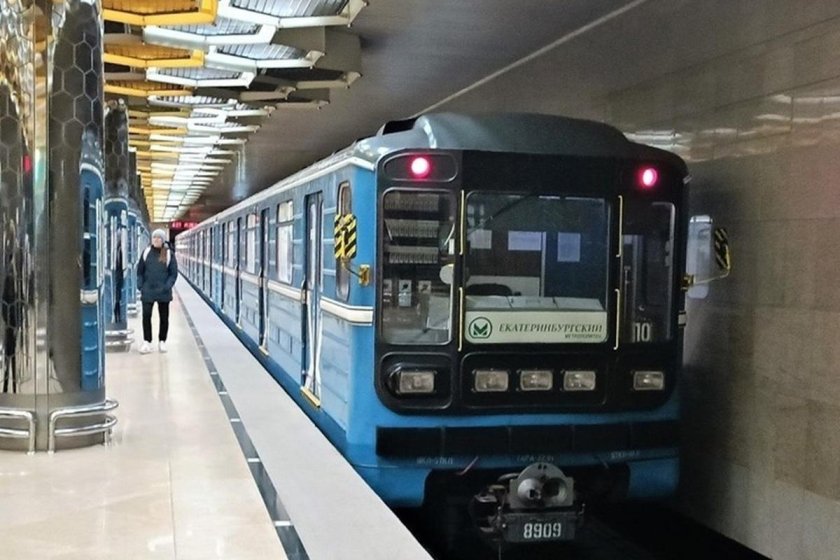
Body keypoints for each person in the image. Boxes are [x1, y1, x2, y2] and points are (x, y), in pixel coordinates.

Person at [137, 229, 178, 354]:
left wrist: (167, 286)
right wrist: (140, 285)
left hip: (163, 292)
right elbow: (140, 271)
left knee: (164, 317)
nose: (156, 240)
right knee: (146, 316)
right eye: (154, 237)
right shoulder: (146, 252)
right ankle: (147, 341)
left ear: (163, 240)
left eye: (159, 238)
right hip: (148, 290)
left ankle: (162, 341)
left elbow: (173, 273)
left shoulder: (167, 254)